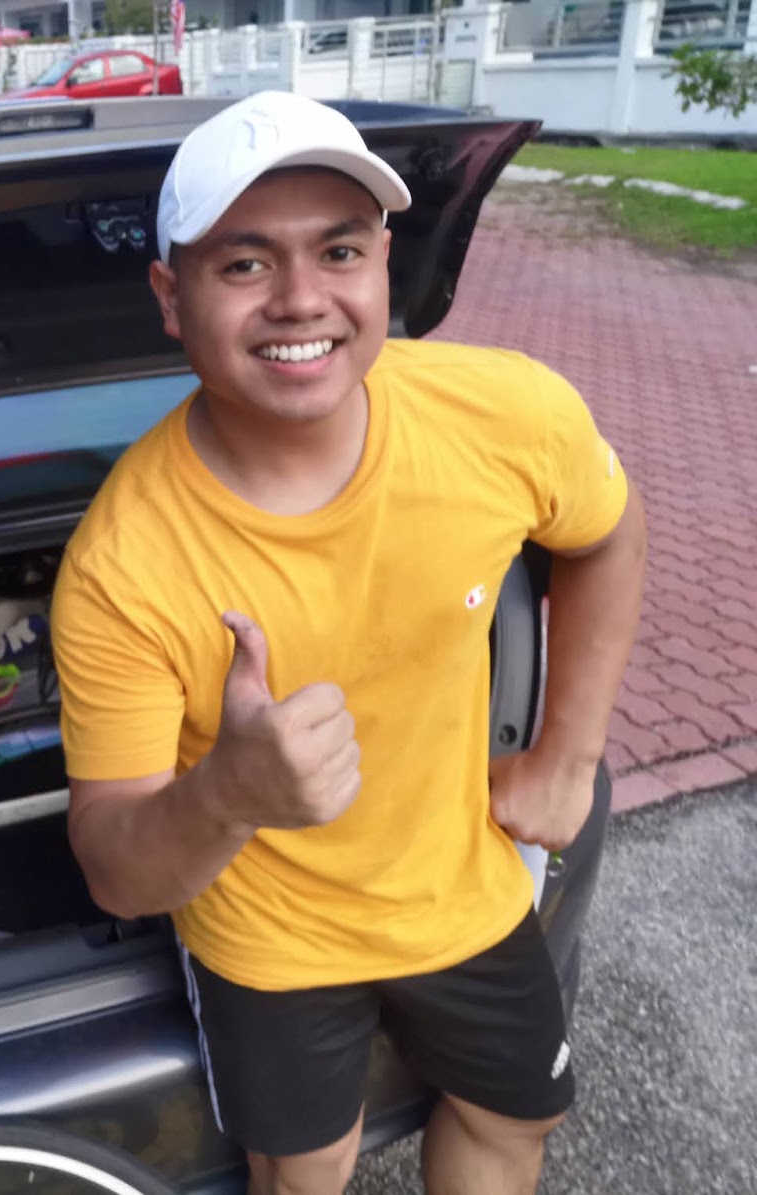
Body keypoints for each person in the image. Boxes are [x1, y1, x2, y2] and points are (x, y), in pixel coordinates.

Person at [53, 91, 646, 1195]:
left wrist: (569, 752)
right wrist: (228, 793)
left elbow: (608, 534)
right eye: (244, 263)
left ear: (382, 265)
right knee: (306, 1167)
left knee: (516, 1117)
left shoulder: (505, 414)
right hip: (270, 936)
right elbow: (116, 870)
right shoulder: (123, 563)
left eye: (338, 250)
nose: (300, 299)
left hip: (463, 885)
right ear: (171, 297)